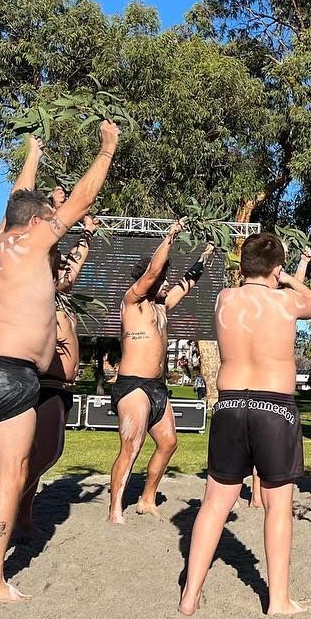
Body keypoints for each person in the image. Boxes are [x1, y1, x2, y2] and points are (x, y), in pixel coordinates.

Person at [0, 124, 120, 602]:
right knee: (13, 473)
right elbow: (79, 201)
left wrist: (33, 153)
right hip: (12, 373)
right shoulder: (31, 244)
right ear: (38, 220)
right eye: (47, 218)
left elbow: (14, 199)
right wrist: (106, 150)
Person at [178, 233, 311, 617]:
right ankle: (278, 600)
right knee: (278, 505)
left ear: (242, 267)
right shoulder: (286, 300)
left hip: (229, 404)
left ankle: (190, 594)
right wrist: (289, 278)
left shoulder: (225, 298)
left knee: (214, 503)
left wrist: (270, 273)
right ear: (275, 270)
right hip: (273, 406)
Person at [107, 222, 214, 521]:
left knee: (168, 444)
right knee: (132, 445)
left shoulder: (161, 307)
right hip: (133, 386)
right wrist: (170, 237)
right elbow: (154, 272)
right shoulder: (132, 302)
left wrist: (206, 254)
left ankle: (147, 498)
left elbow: (188, 283)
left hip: (157, 388)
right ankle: (115, 508)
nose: (167, 282)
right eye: (163, 277)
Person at [19, 215, 96, 534]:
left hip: (63, 387)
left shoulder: (61, 296)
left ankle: (21, 515)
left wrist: (87, 237)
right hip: (46, 386)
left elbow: (74, 266)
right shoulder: (39, 296)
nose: (66, 266)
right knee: (46, 453)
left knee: (39, 455)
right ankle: (9, 504)